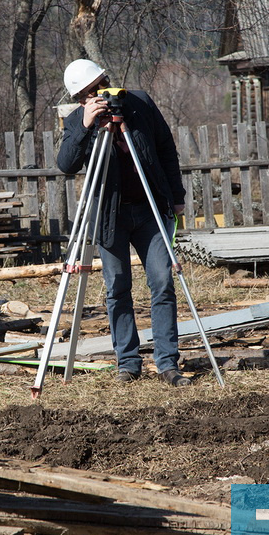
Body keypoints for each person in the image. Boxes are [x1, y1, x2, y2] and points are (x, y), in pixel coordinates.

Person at [57, 58, 190, 387]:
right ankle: (127, 363)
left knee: (162, 283)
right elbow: (66, 165)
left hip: (151, 209)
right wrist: (87, 126)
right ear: (80, 99)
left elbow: (165, 148)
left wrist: (176, 196)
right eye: (88, 94)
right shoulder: (78, 121)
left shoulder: (139, 102)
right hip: (109, 215)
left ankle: (167, 363)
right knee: (117, 289)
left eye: (99, 87)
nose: (98, 96)